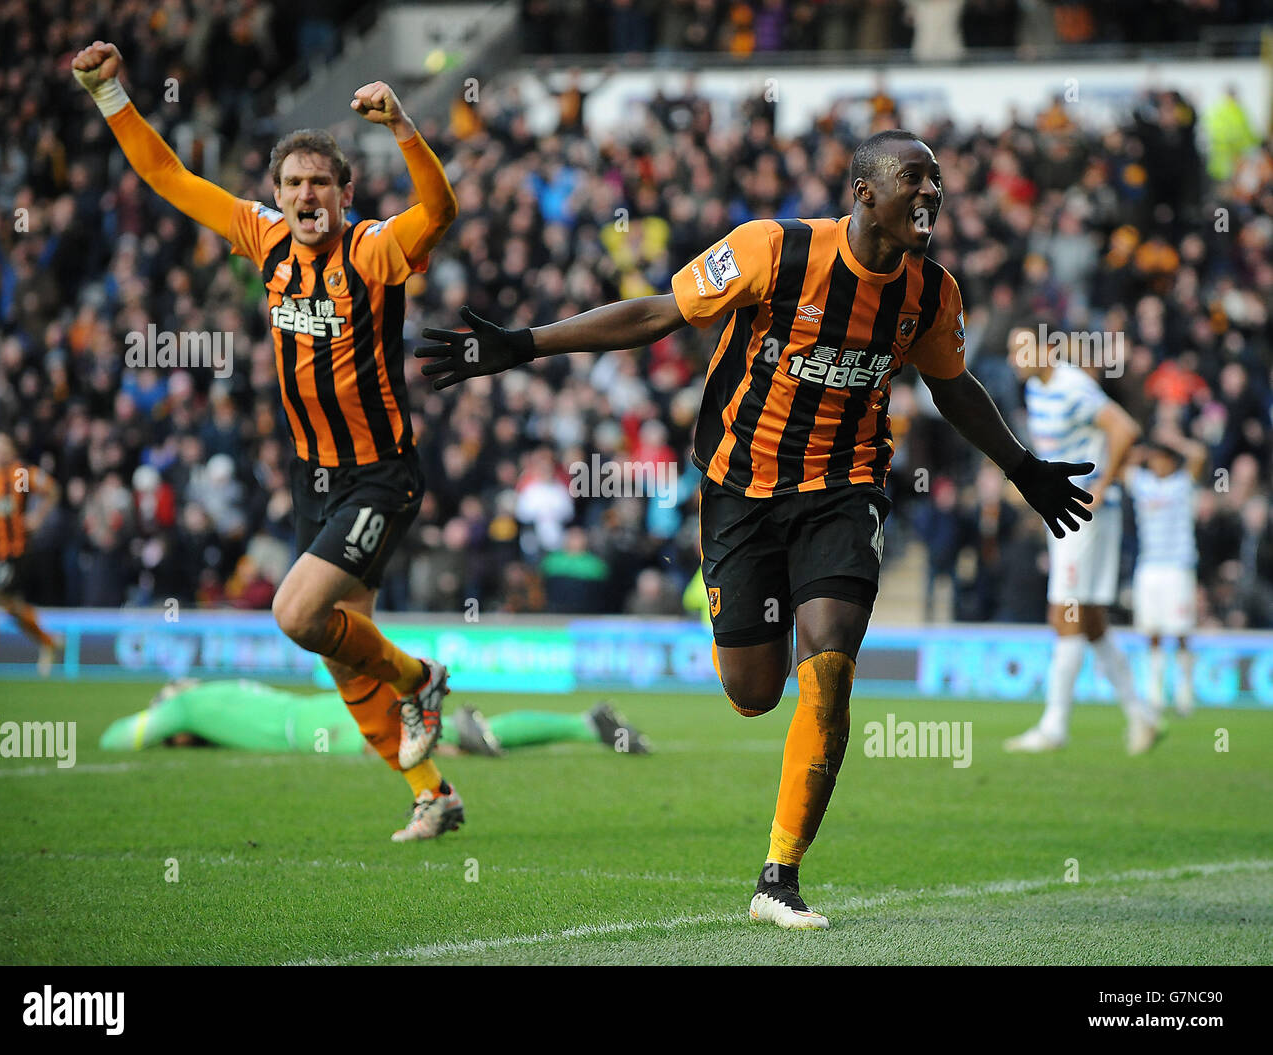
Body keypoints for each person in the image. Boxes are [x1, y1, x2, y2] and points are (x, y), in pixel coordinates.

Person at [415, 129, 1096, 928]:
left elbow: (954, 386)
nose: (932, 193)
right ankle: (744, 643)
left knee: (832, 662)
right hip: (740, 488)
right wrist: (525, 344)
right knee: (752, 692)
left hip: (844, 489)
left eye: (937, 181)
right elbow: (657, 312)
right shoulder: (771, 250)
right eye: (915, 178)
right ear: (865, 191)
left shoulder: (931, 292)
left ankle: (780, 874)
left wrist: (1021, 466)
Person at [72, 41, 462, 842]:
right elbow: (169, 179)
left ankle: (422, 677)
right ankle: (432, 791)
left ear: (345, 194)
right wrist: (109, 92)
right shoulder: (263, 239)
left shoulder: (372, 250)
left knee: (295, 612)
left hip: (381, 473)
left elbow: (440, 211)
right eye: (293, 183)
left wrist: (404, 128)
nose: (305, 194)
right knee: (336, 647)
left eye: (320, 181)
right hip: (313, 476)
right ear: (276, 195)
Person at [1004, 326, 1159, 756]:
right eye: (1011, 350)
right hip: (1069, 512)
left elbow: (1124, 428)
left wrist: (1102, 488)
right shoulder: (1037, 388)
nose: (1016, 357)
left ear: (1045, 349)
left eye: (1023, 348)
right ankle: (1140, 713)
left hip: (1083, 515)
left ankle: (1054, 726)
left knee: (1064, 612)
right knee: (1089, 618)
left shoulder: (1072, 387)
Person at [99, 680, 651, 766]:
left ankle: (585, 724)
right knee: (453, 743)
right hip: (328, 707)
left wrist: (170, 722)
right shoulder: (223, 689)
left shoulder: (187, 703)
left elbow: (117, 737)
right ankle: (585, 724)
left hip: (322, 729)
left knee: (448, 746)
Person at [1125, 431, 1206, 716]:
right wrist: (1143, 452)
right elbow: (1122, 462)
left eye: (1163, 459)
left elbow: (1199, 455)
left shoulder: (1182, 485)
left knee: (1181, 630)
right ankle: (1156, 693)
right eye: (1155, 460)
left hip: (1178, 566)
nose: (1158, 465)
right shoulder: (1143, 484)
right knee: (1153, 631)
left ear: (1172, 462)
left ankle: (1185, 691)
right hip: (1149, 566)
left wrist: (1174, 440)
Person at [0, 431, 62, 690]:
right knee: (11, 608)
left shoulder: (21, 475)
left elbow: (52, 489)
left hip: (16, 552)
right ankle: (48, 641)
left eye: (4, 446)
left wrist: (37, 517)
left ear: (12, 451)